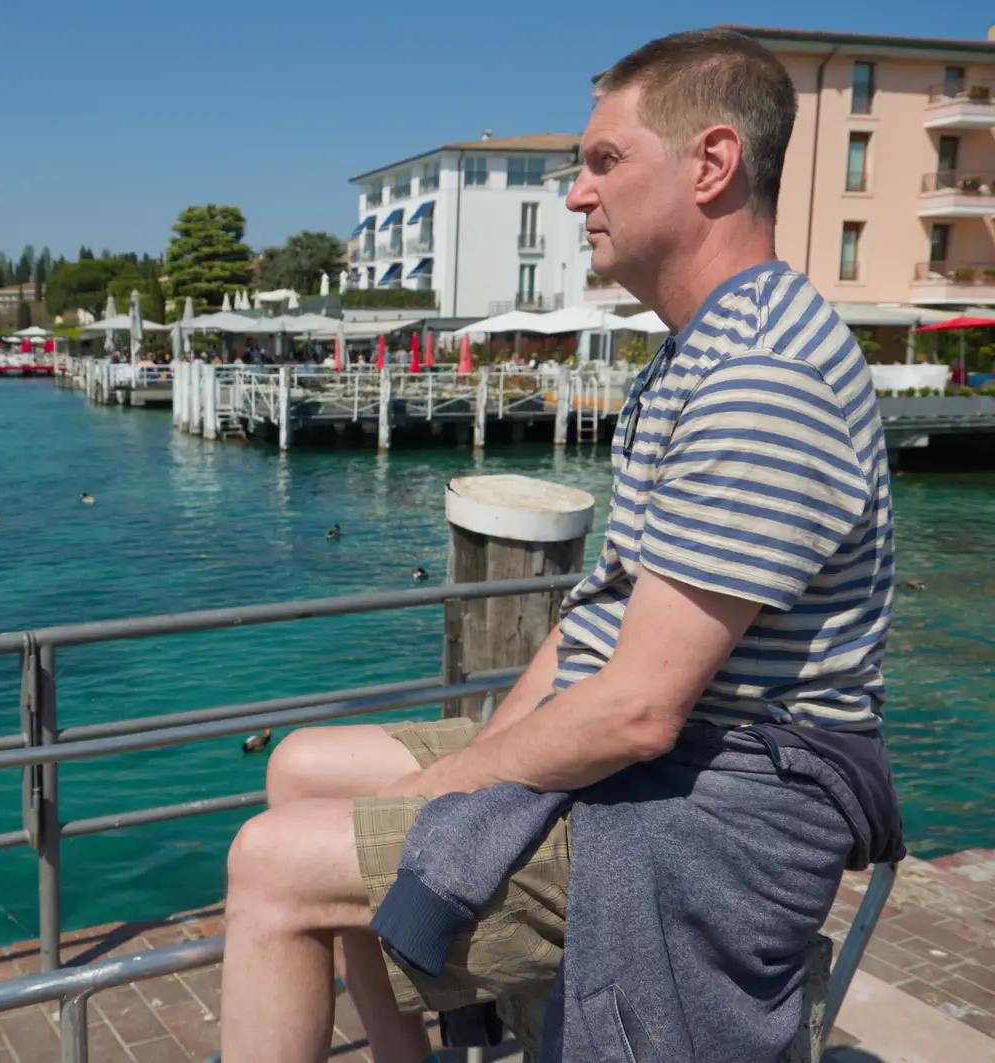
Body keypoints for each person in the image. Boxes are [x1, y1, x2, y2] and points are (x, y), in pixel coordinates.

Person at [219, 28, 901, 1063]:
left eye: (602, 161)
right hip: (666, 759)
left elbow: (635, 708)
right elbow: (599, 616)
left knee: (272, 866)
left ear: (711, 165)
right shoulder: (692, 356)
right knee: (305, 771)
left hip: (716, 811)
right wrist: (491, 749)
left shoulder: (762, 378)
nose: (576, 195)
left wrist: (455, 788)